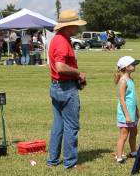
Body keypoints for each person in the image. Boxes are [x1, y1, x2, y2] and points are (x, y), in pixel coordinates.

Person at [47, 9, 87, 169]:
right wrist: (79, 73)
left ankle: (53, 160)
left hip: (56, 86)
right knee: (71, 126)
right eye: (76, 25)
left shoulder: (58, 39)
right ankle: (70, 163)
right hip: (65, 88)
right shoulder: (63, 42)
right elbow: (61, 67)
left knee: (58, 125)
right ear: (68, 26)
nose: (78, 28)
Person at [114, 56, 140, 163]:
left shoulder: (131, 80)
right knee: (124, 135)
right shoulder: (123, 81)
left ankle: (133, 151)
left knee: (134, 132)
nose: (135, 66)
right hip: (125, 115)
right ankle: (119, 156)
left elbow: (133, 99)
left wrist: (137, 112)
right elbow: (122, 99)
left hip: (132, 113)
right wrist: (127, 115)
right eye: (133, 64)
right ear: (125, 67)